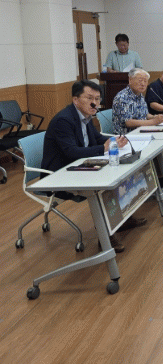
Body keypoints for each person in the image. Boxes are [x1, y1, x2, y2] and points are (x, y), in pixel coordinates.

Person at [41, 80, 145, 253]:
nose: (94, 103)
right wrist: (104, 148)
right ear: (75, 100)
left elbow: (96, 138)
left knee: (119, 173)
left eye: (97, 99)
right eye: (89, 98)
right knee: (102, 186)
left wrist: (113, 141)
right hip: (60, 173)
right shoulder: (64, 120)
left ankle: (122, 220)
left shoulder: (86, 116)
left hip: (79, 165)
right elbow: (71, 152)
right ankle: (106, 237)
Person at [112, 68, 163, 134]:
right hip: (127, 136)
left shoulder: (140, 95)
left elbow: (145, 114)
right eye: (140, 80)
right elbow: (128, 122)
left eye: (145, 81)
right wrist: (153, 122)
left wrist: (155, 117)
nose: (143, 84)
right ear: (130, 80)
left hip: (141, 131)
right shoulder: (122, 97)